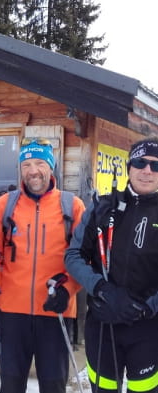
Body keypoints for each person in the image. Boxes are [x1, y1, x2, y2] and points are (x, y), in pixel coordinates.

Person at [0, 138, 85, 393]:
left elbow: (84, 258)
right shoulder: (3, 206)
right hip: (12, 311)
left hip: (55, 310)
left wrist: (67, 290)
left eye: (39, 163)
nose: (33, 170)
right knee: (11, 384)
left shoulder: (72, 206)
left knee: (53, 385)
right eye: (26, 164)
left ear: (51, 167)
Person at [65, 137, 158, 393]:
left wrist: (146, 309)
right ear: (129, 167)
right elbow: (73, 256)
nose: (147, 170)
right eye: (140, 163)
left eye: (155, 165)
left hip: (149, 328)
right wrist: (103, 290)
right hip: (104, 324)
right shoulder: (102, 208)